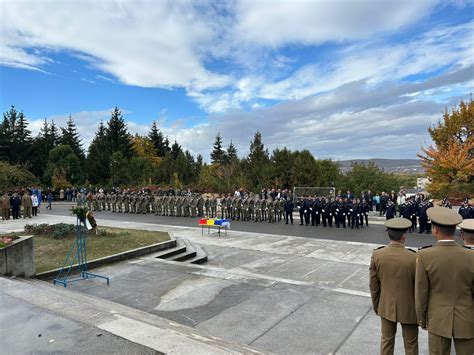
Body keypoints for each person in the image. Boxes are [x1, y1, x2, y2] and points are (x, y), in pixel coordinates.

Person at [415, 207, 474, 355]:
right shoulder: (471, 256)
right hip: (467, 318)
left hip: (437, 318)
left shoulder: (424, 255)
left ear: (434, 230)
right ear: (455, 230)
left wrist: (422, 319)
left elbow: (421, 291)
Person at [370, 218, 418, 355]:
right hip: (410, 307)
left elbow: (374, 285)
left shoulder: (377, 255)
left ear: (388, 233)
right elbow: (420, 287)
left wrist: (377, 305)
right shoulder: (414, 257)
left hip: (386, 305)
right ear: (404, 235)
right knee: (411, 345)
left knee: (386, 341)